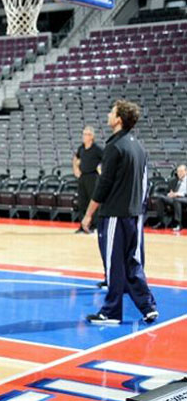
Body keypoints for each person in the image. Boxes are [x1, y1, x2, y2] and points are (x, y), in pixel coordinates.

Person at [81, 100, 158, 325]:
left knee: (114, 264)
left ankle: (111, 312)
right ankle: (148, 306)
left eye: (112, 112)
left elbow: (103, 185)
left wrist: (88, 214)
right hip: (134, 214)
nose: (108, 114)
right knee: (132, 261)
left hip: (115, 214)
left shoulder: (115, 146)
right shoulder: (139, 146)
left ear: (119, 119)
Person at [73, 126, 103, 234]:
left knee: (93, 201)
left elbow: (105, 159)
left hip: (92, 177)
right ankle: (82, 226)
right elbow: (76, 158)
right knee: (82, 202)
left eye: (86, 134)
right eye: (83, 134)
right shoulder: (81, 148)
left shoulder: (97, 149)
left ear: (92, 136)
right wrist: (75, 169)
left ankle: (94, 226)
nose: (84, 136)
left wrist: (100, 169)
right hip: (83, 177)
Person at [154, 164, 187, 232]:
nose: (179, 173)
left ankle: (178, 224)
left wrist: (177, 194)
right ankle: (161, 222)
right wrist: (170, 194)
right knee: (160, 198)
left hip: (184, 198)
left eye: (181, 171)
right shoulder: (174, 180)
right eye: (178, 172)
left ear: (186, 172)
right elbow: (169, 190)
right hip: (174, 198)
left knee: (177, 200)